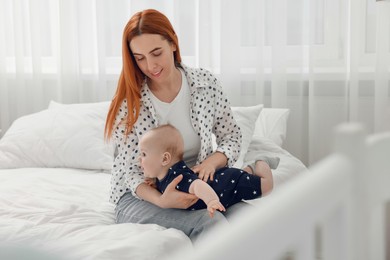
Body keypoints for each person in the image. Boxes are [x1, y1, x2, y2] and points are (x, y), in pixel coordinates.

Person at [104, 8, 274, 243]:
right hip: (140, 197)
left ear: (173, 43)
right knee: (210, 222)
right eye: (140, 58)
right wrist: (161, 200)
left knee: (255, 221)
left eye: (156, 53)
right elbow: (129, 172)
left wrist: (212, 162)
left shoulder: (206, 84)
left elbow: (231, 136)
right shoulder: (131, 103)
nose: (150, 65)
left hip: (197, 187)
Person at [138, 124, 278, 218]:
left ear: (164, 159)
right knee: (242, 175)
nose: (139, 160)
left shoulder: (179, 177)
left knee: (266, 187)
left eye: (143, 154)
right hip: (224, 182)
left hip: (229, 185)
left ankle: (261, 160)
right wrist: (155, 184)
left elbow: (199, 186)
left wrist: (211, 201)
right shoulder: (164, 177)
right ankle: (248, 169)